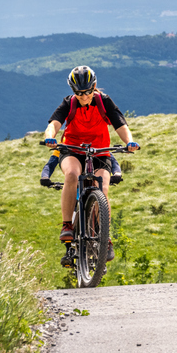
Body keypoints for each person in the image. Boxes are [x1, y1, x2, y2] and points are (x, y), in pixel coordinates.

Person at [44, 66, 139, 263]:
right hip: (72, 149)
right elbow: (54, 123)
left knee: (102, 186)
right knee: (71, 175)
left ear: (94, 87)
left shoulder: (103, 101)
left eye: (87, 92)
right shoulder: (69, 103)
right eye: (78, 93)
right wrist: (50, 137)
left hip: (100, 151)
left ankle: (105, 236)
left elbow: (120, 124)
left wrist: (129, 142)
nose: (83, 96)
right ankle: (67, 225)